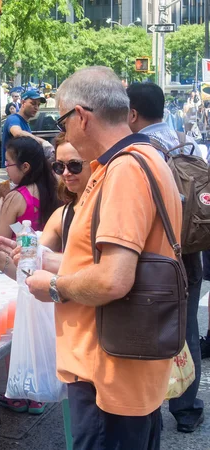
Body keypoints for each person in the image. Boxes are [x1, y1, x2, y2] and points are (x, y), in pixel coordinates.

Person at [24, 66, 182, 450]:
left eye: (64, 121)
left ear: (81, 116)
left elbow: (113, 278)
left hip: (107, 372)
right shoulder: (134, 160)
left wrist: (55, 287)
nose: (66, 133)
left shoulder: (125, 170)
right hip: (118, 364)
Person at [127, 81, 205, 433]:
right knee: (186, 326)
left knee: (149, 328)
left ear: (132, 113)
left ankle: (148, 404)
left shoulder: (142, 151)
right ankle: (187, 410)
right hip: (190, 251)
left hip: (156, 253)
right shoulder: (187, 142)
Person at [0, 131, 92, 282]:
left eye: (74, 165)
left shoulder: (105, 205)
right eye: (59, 166)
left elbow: (107, 274)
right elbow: (29, 271)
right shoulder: (61, 213)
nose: (66, 173)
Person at [0, 136, 59, 240]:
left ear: (25, 167)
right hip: (50, 252)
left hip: (21, 254)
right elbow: (19, 229)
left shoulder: (16, 197)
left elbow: (0, 238)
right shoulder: (55, 187)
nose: (6, 168)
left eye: (8, 163)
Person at [1, 90, 54, 165]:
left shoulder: (25, 123)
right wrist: (43, 142)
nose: (36, 107)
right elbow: (17, 133)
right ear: (23, 103)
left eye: (38, 105)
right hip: (13, 170)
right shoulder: (14, 119)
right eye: (33, 103)